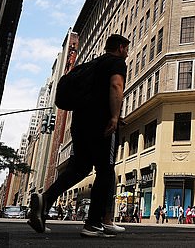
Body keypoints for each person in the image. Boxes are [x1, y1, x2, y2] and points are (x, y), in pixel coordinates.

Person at [27, 34, 129, 238]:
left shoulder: (91, 64)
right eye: (126, 49)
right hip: (102, 125)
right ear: (119, 48)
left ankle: (45, 201)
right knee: (105, 170)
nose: (127, 53)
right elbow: (116, 86)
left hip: (80, 125)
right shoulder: (117, 62)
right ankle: (93, 223)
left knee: (79, 168)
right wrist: (115, 117)